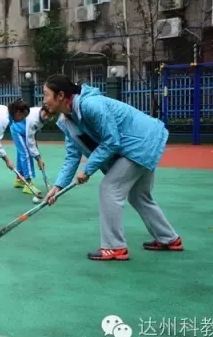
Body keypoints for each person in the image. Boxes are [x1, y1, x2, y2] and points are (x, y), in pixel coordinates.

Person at [42, 74, 183, 261]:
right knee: (139, 195)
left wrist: (88, 169)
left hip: (141, 142)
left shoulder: (91, 105)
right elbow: (72, 155)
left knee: (109, 188)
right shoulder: (66, 120)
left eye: (46, 95)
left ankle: (114, 247)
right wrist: (58, 186)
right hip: (138, 144)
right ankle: (169, 238)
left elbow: (112, 140)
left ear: (60, 96)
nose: (44, 101)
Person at [10, 105, 54, 196]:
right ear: (42, 110)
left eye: (49, 116)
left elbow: (33, 137)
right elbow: (30, 142)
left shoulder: (41, 118)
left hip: (25, 132)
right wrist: (38, 158)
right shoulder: (34, 119)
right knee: (26, 153)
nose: (46, 117)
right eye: (45, 114)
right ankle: (28, 184)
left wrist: (39, 157)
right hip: (17, 130)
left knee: (21, 153)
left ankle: (19, 179)